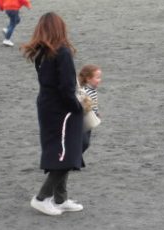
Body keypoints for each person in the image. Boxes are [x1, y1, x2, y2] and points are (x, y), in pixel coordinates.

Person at [21, 12, 85, 216]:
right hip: (62, 109)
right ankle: (42, 197)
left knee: (60, 149)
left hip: (47, 105)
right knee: (67, 152)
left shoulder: (41, 52)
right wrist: (78, 107)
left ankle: (60, 197)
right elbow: (66, 87)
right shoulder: (62, 52)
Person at [78, 64, 102, 153]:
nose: (100, 80)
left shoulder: (92, 90)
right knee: (84, 142)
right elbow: (84, 104)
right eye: (97, 78)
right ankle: (76, 157)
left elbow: (94, 104)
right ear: (88, 79)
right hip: (84, 120)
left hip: (90, 119)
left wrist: (97, 113)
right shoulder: (85, 91)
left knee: (85, 142)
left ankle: (77, 157)